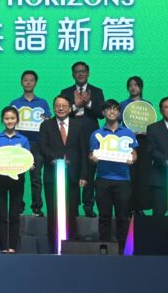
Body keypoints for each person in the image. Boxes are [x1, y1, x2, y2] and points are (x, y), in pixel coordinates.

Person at [89, 100, 138, 252]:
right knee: (104, 215)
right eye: (108, 109)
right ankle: (104, 247)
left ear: (119, 113)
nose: (112, 112)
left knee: (123, 216)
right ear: (103, 113)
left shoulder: (128, 133)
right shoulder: (96, 134)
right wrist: (93, 158)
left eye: (115, 109)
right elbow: (91, 153)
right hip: (103, 179)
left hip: (123, 180)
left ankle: (123, 248)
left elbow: (134, 152)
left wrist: (133, 158)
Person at [39, 96, 86, 253]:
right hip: (52, 176)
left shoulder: (79, 125)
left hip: (72, 176)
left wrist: (83, 175)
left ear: (69, 107)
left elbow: (83, 152)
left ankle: (70, 248)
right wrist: (55, 159)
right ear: (53, 107)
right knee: (53, 214)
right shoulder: (46, 125)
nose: (60, 108)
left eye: (63, 105)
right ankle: (54, 248)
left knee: (71, 213)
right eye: (57, 105)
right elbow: (43, 147)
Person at [60, 61, 105, 218]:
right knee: (72, 168)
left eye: (83, 71)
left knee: (90, 168)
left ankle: (88, 204)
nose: (80, 74)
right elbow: (61, 112)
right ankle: (72, 204)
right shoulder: (65, 92)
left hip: (90, 135)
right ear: (72, 74)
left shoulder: (97, 92)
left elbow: (101, 113)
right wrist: (75, 106)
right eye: (77, 71)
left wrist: (88, 102)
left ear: (88, 73)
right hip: (70, 136)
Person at [0, 107, 30, 253]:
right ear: (2, 120)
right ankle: (3, 247)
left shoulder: (23, 140)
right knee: (2, 214)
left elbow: (28, 159)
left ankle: (12, 246)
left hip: (18, 180)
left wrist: (30, 165)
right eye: (7, 118)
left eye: (12, 118)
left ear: (17, 120)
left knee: (14, 214)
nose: (9, 121)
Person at [10, 70, 51, 217]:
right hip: (19, 145)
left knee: (36, 177)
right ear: (21, 82)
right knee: (18, 177)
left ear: (35, 83)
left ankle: (36, 207)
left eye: (31, 80)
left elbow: (48, 123)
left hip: (37, 144)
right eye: (25, 80)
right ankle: (18, 207)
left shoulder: (43, 103)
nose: (28, 82)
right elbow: (10, 123)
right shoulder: (15, 103)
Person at [119, 76, 152, 215]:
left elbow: (152, 126)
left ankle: (140, 208)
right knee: (129, 175)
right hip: (127, 144)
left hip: (144, 143)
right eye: (130, 85)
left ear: (141, 87)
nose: (133, 87)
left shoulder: (147, 105)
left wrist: (145, 131)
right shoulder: (122, 104)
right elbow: (117, 122)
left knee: (143, 175)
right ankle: (129, 207)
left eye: (136, 85)